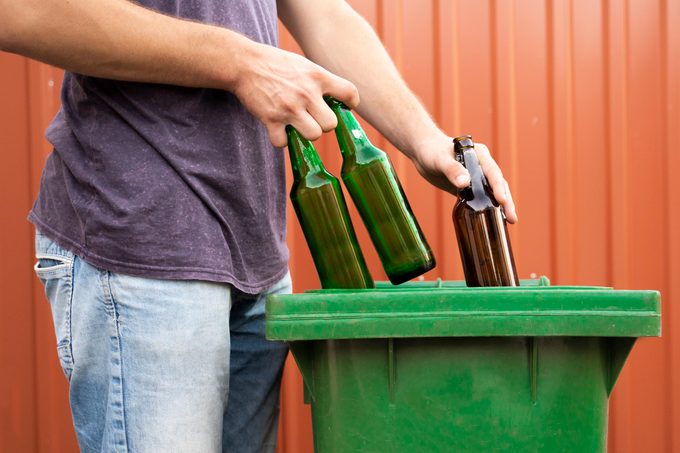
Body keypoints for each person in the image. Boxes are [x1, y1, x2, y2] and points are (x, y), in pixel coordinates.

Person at [0, 0, 517, 451]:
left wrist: (425, 140)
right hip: (143, 247)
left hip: (255, 257)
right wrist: (241, 62)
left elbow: (323, 12)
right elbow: (19, 11)